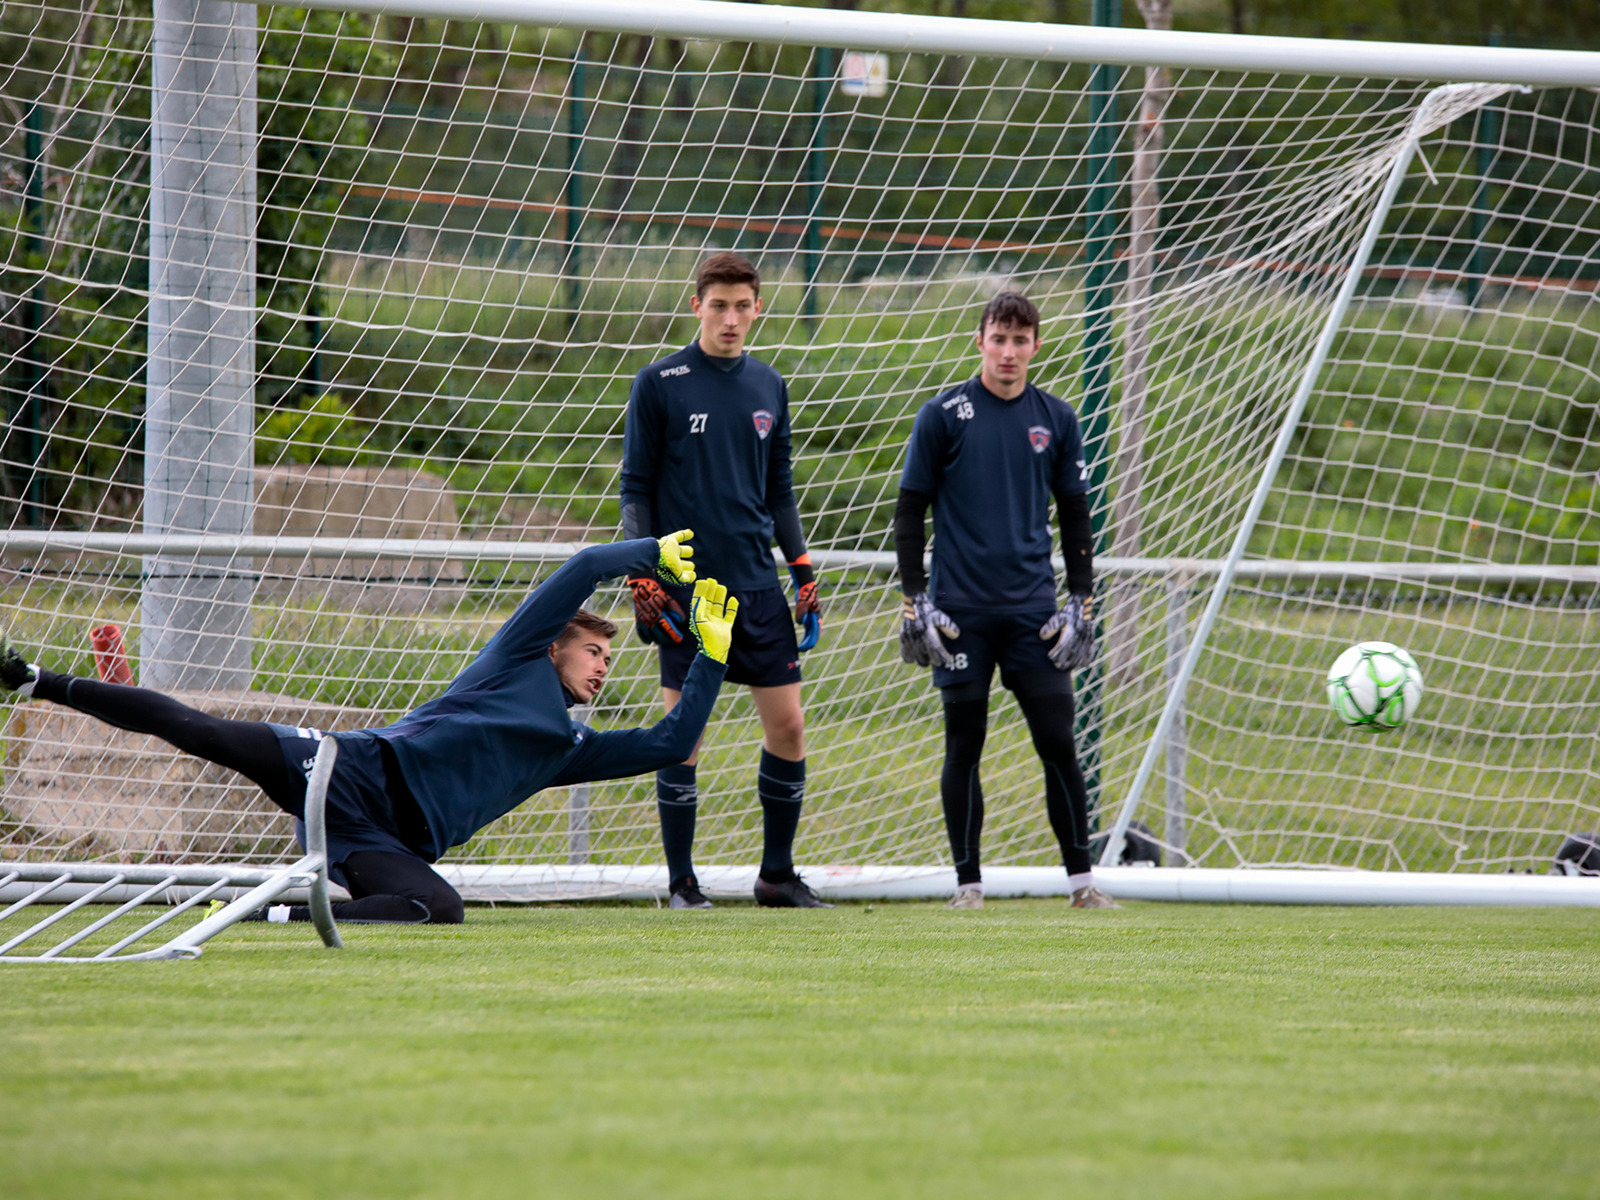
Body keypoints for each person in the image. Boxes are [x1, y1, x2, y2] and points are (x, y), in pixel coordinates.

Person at [0, 533, 739, 924]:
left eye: (611, 656)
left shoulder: (563, 749)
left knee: (439, 908)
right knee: (202, 731)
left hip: (372, 841)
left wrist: (710, 654)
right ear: (555, 645)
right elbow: (583, 565)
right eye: (594, 650)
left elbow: (670, 745)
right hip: (343, 770)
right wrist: (647, 555)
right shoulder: (512, 660)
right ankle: (35, 679)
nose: (604, 666)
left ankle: (270, 912)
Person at [894, 292, 1119, 911]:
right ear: (981, 342)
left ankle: (1083, 884)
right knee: (964, 744)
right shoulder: (943, 413)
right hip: (960, 613)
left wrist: (1082, 599)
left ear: (1036, 346)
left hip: (1032, 615)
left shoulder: (1058, 418)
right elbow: (910, 507)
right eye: (1000, 339)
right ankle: (968, 886)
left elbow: (1075, 514)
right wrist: (915, 598)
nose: (1010, 352)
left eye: (1022, 341)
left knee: (1058, 741)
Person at [619, 251, 828, 910]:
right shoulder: (660, 381)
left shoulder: (770, 385)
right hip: (689, 592)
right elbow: (635, 490)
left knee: (789, 726)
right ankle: (681, 883)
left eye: (743, 306)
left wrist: (801, 571)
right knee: (683, 736)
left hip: (757, 587)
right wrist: (641, 575)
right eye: (719, 305)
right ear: (697, 306)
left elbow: (781, 492)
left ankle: (776, 875)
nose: (731, 318)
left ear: (757, 307)